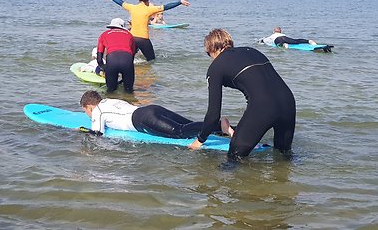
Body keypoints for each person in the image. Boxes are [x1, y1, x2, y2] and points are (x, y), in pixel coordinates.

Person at [189, 29, 296, 161]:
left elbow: (213, 114)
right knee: (283, 157)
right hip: (288, 102)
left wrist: (199, 141)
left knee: (234, 159)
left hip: (264, 107)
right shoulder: (251, 51)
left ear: (211, 49)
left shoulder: (216, 67)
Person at [80, 90, 223, 138]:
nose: (87, 114)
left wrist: (80, 132)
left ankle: (221, 126)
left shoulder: (98, 111)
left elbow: (97, 134)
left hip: (142, 120)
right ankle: (228, 129)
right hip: (151, 109)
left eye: (85, 110)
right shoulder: (109, 100)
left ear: (89, 107)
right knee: (187, 124)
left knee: (180, 132)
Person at [102, 0, 190, 61]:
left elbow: (121, 2)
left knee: (130, 58)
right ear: (147, 1)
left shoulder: (132, 7)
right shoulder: (150, 9)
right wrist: (180, 2)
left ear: (139, 0)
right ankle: (147, 74)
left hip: (131, 38)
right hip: (143, 39)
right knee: (151, 60)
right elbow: (167, 6)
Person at [97, 18, 136, 93]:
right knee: (129, 92)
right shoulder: (129, 35)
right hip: (127, 62)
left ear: (111, 26)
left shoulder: (104, 34)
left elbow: (99, 59)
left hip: (112, 62)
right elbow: (132, 54)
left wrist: (105, 68)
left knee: (111, 92)